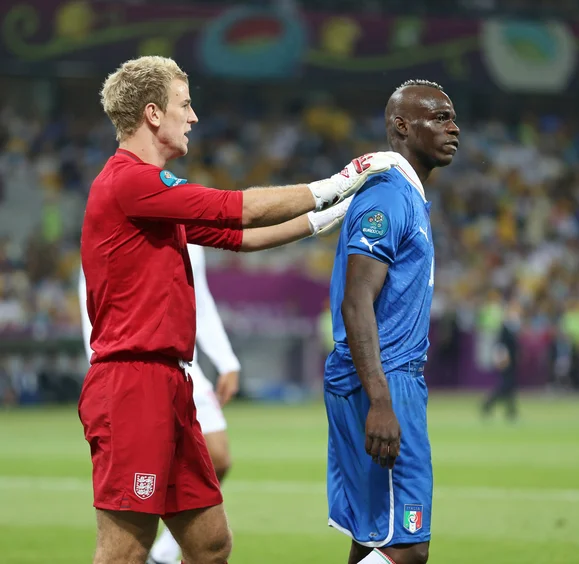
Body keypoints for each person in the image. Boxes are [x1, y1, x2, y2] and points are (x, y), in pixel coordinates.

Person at [79, 54, 401, 564]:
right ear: (152, 113)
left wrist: (335, 214)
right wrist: (343, 180)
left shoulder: (151, 196)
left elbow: (243, 236)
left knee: (210, 545)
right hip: (132, 386)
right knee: (125, 550)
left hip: (170, 385)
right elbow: (241, 207)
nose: (194, 116)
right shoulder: (129, 181)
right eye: (185, 104)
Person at [323, 79, 460, 564]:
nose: (454, 127)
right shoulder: (389, 197)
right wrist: (382, 401)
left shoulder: (408, 195)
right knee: (408, 548)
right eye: (440, 117)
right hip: (385, 380)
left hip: (378, 378)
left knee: (372, 538)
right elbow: (356, 301)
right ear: (402, 125)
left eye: (453, 117)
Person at [78, 243, 241, 564]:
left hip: (181, 367)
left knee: (218, 463)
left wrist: (226, 359)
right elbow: (94, 298)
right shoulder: (121, 222)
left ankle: (165, 553)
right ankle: (161, 551)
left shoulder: (187, 226)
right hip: (134, 374)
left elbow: (200, 298)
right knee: (127, 544)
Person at [482, 296, 521, 421]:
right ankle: (488, 404)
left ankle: (511, 411)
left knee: (510, 385)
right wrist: (502, 358)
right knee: (506, 385)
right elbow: (501, 344)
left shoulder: (512, 325)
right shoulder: (505, 327)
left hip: (512, 359)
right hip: (506, 360)